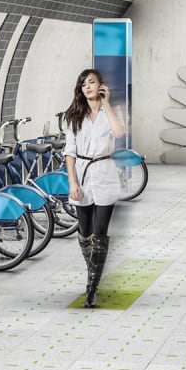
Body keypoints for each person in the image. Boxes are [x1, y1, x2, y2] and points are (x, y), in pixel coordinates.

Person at [63, 68, 127, 308]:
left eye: (91, 82)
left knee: (99, 234)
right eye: (83, 84)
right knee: (85, 234)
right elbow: (69, 151)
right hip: (82, 174)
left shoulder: (112, 112)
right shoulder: (73, 116)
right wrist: (72, 182)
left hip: (105, 173)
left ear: (101, 86)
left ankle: (91, 287)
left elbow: (120, 132)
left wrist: (107, 105)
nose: (87, 87)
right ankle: (93, 271)